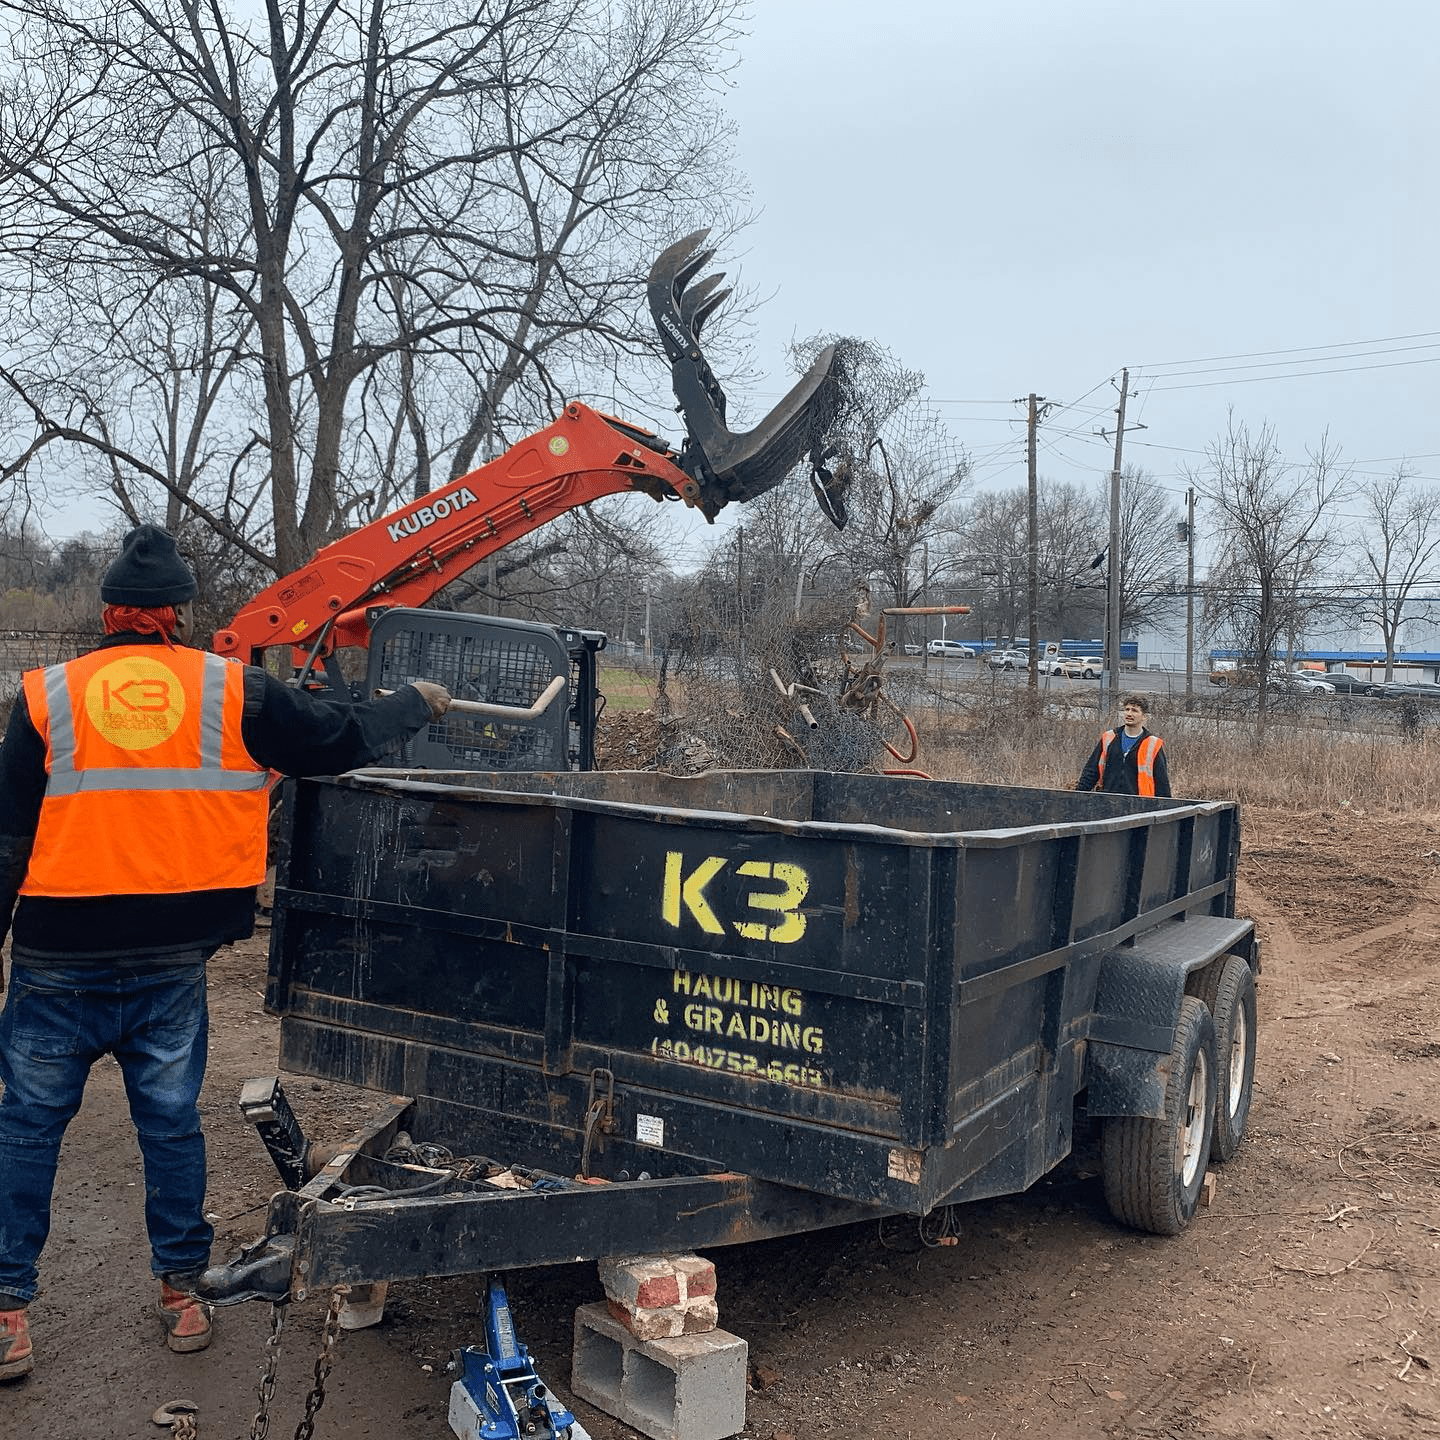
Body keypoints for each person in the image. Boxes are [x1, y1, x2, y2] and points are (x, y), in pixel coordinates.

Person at [0, 524, 451, 1381]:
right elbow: (334, 741)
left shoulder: (44, 696)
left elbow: (6, 840)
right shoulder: (230, 688)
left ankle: (6, 1312)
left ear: (107, 613)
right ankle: (181, 1295)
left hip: (56, 960)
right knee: (169, 1128)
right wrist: (411, 704)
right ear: (177, 614)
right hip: (172, 961)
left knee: (26, 1132)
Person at [1076, 693, 1171, 798]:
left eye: (1134, 710)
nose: (1129, 713)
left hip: (1140, 805)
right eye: (1127, 709)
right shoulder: (1109, 737)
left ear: (1144, 716)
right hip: (1108, 801)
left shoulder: (1153, 744)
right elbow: (1091, 771)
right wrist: (1077, 796)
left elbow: (1162, 782)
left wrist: (1165, 806)